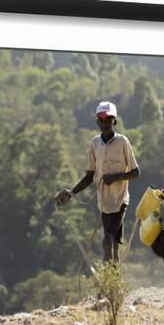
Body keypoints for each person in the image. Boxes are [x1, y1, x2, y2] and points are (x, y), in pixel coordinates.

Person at [55, 101, 140, 263]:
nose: (104, 123)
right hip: (104, 203)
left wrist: (115, 177)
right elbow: (89, 176)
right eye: (101, 119)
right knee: (113, 243)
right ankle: (113, 279)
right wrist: (71, 193)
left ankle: (106, 277)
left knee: (107, 239)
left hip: (120, 200)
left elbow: (136, 172)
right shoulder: (95, 144)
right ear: (97, 121)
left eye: (108, 119)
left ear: (114, 121)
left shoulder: (122, 142)